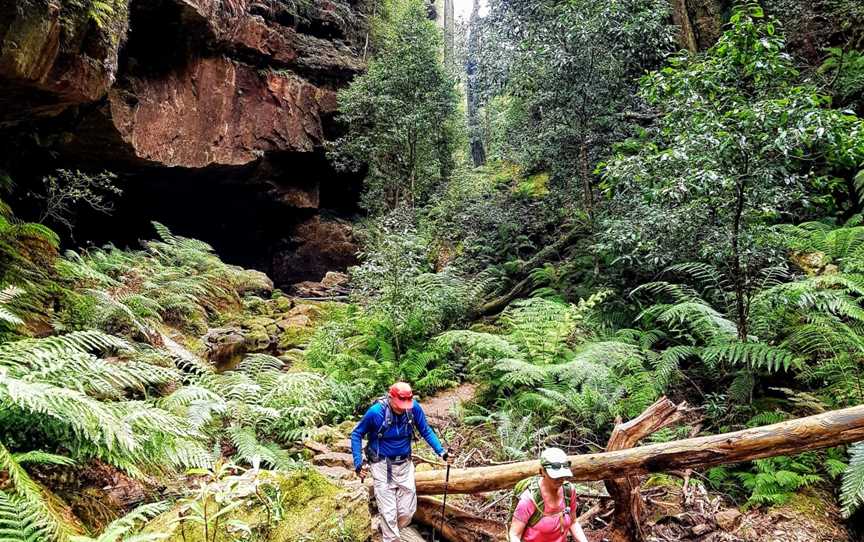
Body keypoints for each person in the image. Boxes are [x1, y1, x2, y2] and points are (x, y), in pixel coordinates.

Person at [351, 381, 450, 542]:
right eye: (399, 404)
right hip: (383, 466)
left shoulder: (413, 408)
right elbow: (356, 434)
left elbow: (425, 430)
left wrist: (441, 452)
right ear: (390, 398)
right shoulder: (376, 413)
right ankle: (390, 536)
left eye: (406, 404)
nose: (403, 408)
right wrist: (358, 463)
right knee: (389, 512)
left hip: (405, 465)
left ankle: (389, 528)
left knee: (407, 511)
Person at [508, 448, 590, 542]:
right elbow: (514, 535)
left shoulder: (569, 491)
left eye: (563, 475)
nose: (560, 479)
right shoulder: (529, 499)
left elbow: (573, 522)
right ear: (542, 471)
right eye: (555, 476)